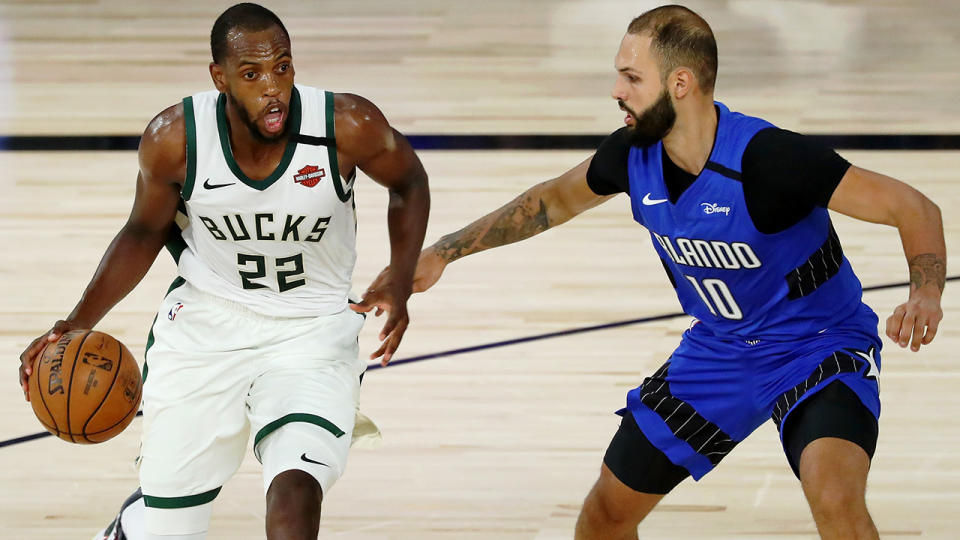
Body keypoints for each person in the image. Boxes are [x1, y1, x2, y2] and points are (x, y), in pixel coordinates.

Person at [355, 5, 945, 539]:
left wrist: (924, 293)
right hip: (717, 353)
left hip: (817, 348)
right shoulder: (632, 154)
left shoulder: (769, 160)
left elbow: (913, 207)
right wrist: (442, 253)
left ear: (680, 84)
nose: (616, 91)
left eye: (630, 78)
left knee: (835, 498)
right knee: (603, 519)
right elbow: (551, 202)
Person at [17, 3, 429, 539]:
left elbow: (410, 182)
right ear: (220, 77)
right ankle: (134, 524)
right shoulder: (175, 139)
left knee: (295, 495)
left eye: (283, 66)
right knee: (170, 529)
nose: (273, 87)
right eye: (252, 74)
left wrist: (401, 273)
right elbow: (142, 232)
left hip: (311, 331)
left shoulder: (347, 124)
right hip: (205, 329)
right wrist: (75, 321)